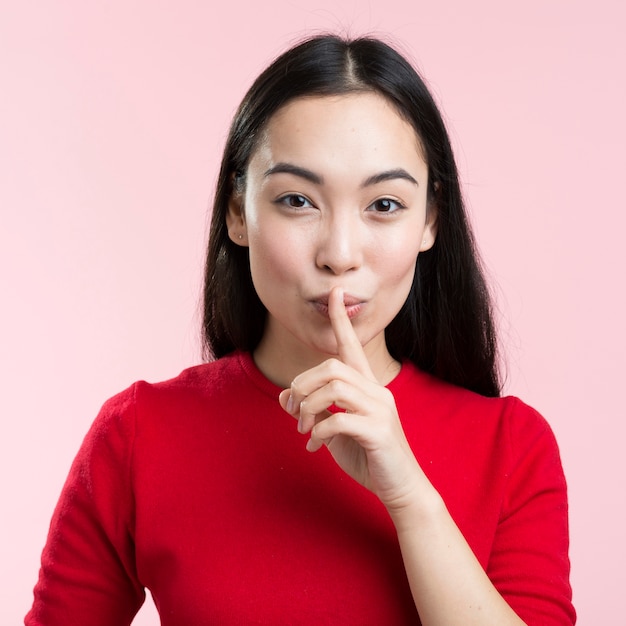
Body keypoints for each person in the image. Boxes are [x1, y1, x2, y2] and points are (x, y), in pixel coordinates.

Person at [26, 35, 575, 625]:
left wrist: (411, 498)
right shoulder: (137, 433)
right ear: (238, 211)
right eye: (296, 200)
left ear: (431, 220)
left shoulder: (512, 446)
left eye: (384, 205)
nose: (340, 254)